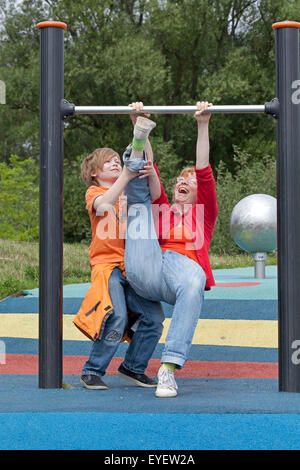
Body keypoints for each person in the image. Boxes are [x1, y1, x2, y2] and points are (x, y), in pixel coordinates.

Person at [122, 101, 218, 398]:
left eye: (187, 180)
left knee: (194, 279)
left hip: (180, 276)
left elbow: (202, 170)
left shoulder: (204, 213)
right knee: (142, 197)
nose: (181, 181)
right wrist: (140, 127)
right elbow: (153, 176)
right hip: (147, 268)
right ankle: (139, 134)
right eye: (179, 179)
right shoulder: (162, 209)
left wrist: (203, 125)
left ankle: (168, 368)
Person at [74, 136, 165, 390]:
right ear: (94, 173)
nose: (115, 163)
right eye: (108, 163)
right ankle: (92, 370)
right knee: (116, 315)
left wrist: (142, 134)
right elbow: (104, 206)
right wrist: (125, 174)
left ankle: (133, 367)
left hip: (132, 266)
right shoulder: (96, 192)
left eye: (117, 160)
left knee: (154, 317)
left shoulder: (129, 191)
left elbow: (155, 194)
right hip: (108, 267)